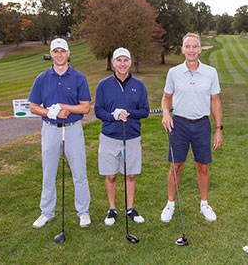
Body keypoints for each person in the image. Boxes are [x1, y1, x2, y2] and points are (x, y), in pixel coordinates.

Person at [29, 38, 92, 229]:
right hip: (50, 129)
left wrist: (65, 107)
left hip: (72, 129)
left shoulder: (79, 77)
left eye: (62, 51)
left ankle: (83, 212)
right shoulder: (42, 78)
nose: (59, 54)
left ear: (68, 53)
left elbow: (86, 108)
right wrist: (51, 112)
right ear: (51, 54)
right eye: (55, 51)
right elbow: (33, 106)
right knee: (48, 173)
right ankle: (46, 212)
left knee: (79, 173)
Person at [161, 32, 223, 222]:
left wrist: (218, 128)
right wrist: (165, 113)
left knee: (202, 166)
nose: (191, 50)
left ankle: (204, 203)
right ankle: (170, 204)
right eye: (188, 46)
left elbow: (215, 101)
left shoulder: (211, 73)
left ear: (200, 49)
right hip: (179, 124)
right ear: (182, 49)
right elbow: (166, 98)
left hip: (202, 124)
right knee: (176, 165)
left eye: (195, 46)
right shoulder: (173, 73)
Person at [95, 47, 149, 226]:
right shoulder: (103, 85)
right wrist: (113, 115)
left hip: (132, 136)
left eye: (126, 60)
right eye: (119, 60)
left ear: (130, 62)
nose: (122, 64)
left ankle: (130, 208)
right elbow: (98, 110)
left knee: (130, 175)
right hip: (110, 136)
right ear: (113, 62)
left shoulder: (139, 85)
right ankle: (112, 209)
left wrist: (128, 113)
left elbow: (145, 111)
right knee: (111, 175)